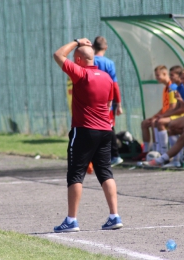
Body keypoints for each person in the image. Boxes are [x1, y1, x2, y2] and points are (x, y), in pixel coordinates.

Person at [53, 38, 123, 232]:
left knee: (75, 174)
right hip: (105, 131)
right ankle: (114, 215)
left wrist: (76, 41)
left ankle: (71, 220)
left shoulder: (81, 74)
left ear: (78, 59)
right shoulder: (107, 77)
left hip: (84, 130)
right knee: (105, 172)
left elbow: (58, 55)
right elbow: (108, 105)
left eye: (76, 59)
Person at [133, 65, 177, 161]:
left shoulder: (172, 87)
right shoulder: (166, 88)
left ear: (165, 74)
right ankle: (146, 151)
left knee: (155, 122)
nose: (156, 78)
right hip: (166, 115)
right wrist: (156, 115)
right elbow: (165, 107)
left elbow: (173, 107)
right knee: (145, 123)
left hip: (173, 115)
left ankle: (159, 151)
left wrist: (159, 116)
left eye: (158, 75)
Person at [93, 36, 123, 167]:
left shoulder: (89, 60)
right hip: (107, 102)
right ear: (106, 47)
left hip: (91, 101)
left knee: (92, 127)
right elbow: (114, 85)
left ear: (93, 47)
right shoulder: (109, 63)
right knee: (108, 127)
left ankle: (97, 157)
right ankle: (114, 155)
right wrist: (119, 104)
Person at [154, 65, 184, 155]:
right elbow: (178, 107)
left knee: (160, 122)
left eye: (172, 75)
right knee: (160, 123)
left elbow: (181, 109)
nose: (170, 77)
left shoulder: (181, 88)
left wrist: (163, 115)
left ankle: (163, 152)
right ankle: (169, 154)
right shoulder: (177, 87)